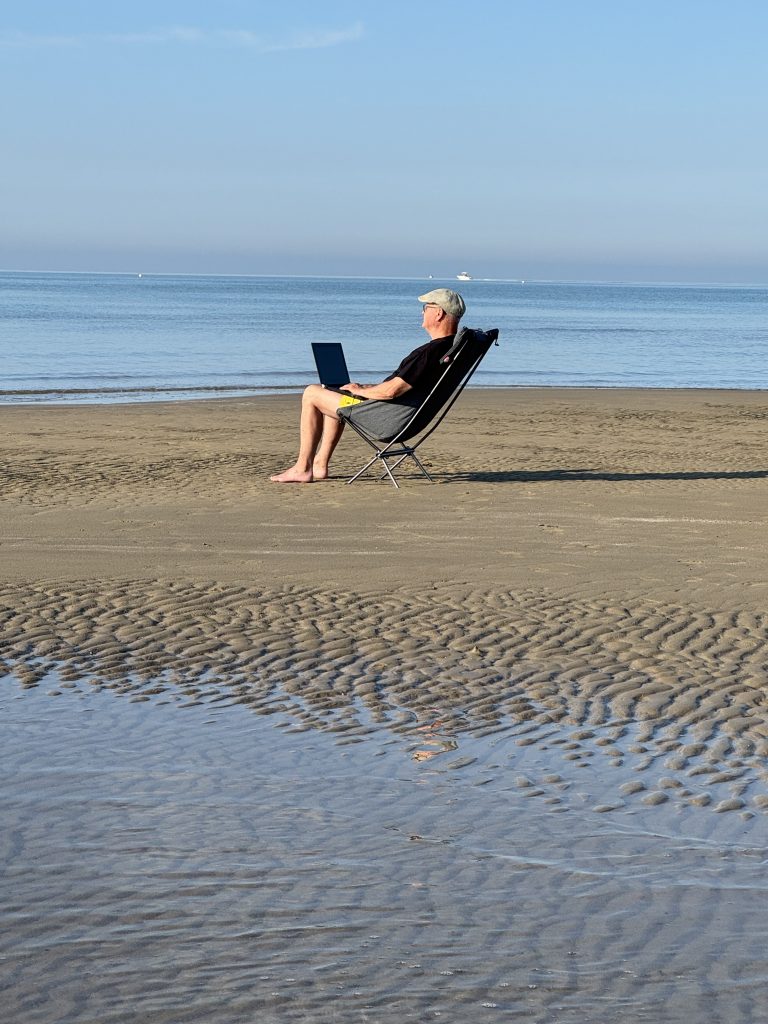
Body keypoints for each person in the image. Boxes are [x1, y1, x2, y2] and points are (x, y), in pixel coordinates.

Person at [270, 288, 466, 483]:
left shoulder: (429, 353)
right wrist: (363, 389)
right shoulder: (450, 350)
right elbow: (401, 387)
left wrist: (362, 391)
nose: (421, 312)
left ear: (438, 313)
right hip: (404, 417)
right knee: (334, 392)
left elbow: (392, 391)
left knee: (311, 393)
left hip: (388, 420)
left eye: (426, 307)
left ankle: (302, 468)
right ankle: (320, 464)